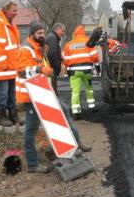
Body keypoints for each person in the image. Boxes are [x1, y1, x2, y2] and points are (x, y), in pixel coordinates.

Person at [16, 22, 92, 173]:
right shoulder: (26, 49)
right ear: (31, 35)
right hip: (30, 95)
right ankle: (33, 164)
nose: (42, 36)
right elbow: (21, 71)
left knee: (61, 114)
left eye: (43, 33)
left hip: (42, 92)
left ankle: (70, 149)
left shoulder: (38, 49)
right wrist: (39, 68)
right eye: (39, 33)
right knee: (31, 130)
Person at [0, 1, 21, 127]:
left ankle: (13, 115)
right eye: (14, 10)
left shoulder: (10, 24)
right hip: (3, 68)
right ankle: (2, 116)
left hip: (11, 66)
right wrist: (2, 64)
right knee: (3, 93)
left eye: (16, 10)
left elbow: (15, 46)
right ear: (6, 10)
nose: (16, 13)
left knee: (11, 92)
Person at [62, 25, 100, 117]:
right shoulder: (89, 42)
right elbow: (95, 57)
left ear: (75, 34)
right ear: (83, 33)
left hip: (74, 72)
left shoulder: (68, 45)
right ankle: (92, 107)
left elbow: (65, 60)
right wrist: (98, 68)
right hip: (87, 71)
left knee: (75, 91)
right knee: (89, 89)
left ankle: (76, 112)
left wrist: (67, 71)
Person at [45, 23, 65, 93]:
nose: (63, 33)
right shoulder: (52, 38)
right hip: (51, 69)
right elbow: (52, 53)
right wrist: (57, 66)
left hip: (50, 68)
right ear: (58, 29)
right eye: (62, 31)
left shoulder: (52, 37)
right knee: (53, 90)